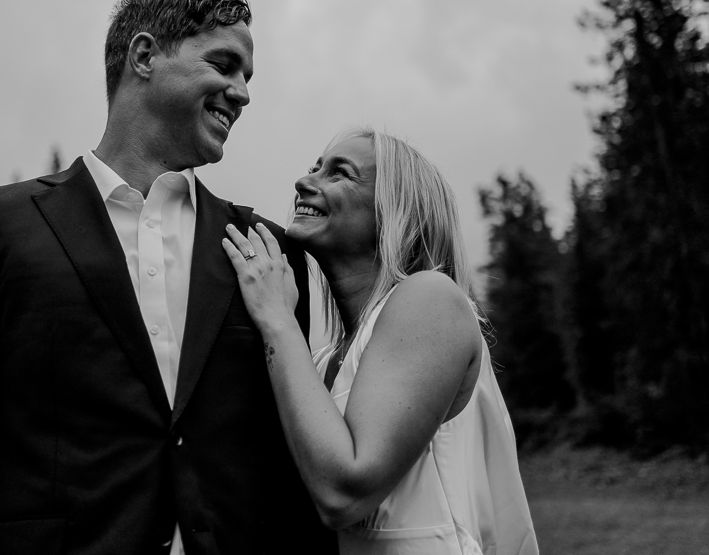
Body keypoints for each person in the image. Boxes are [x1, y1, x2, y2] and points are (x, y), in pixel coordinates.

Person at [0, 0, 337, 555]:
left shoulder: (266, 251)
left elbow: (296, 464)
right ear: (144, 56)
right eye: (224, 64)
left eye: (247, 77)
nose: (241, 93)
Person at [222, 129, 538, 555]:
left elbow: (344, 493)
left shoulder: (431, 297)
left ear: (393, 211)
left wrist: (277, 319)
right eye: (315, 167)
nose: (305, 181)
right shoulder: (318, 361)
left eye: (340, 173)